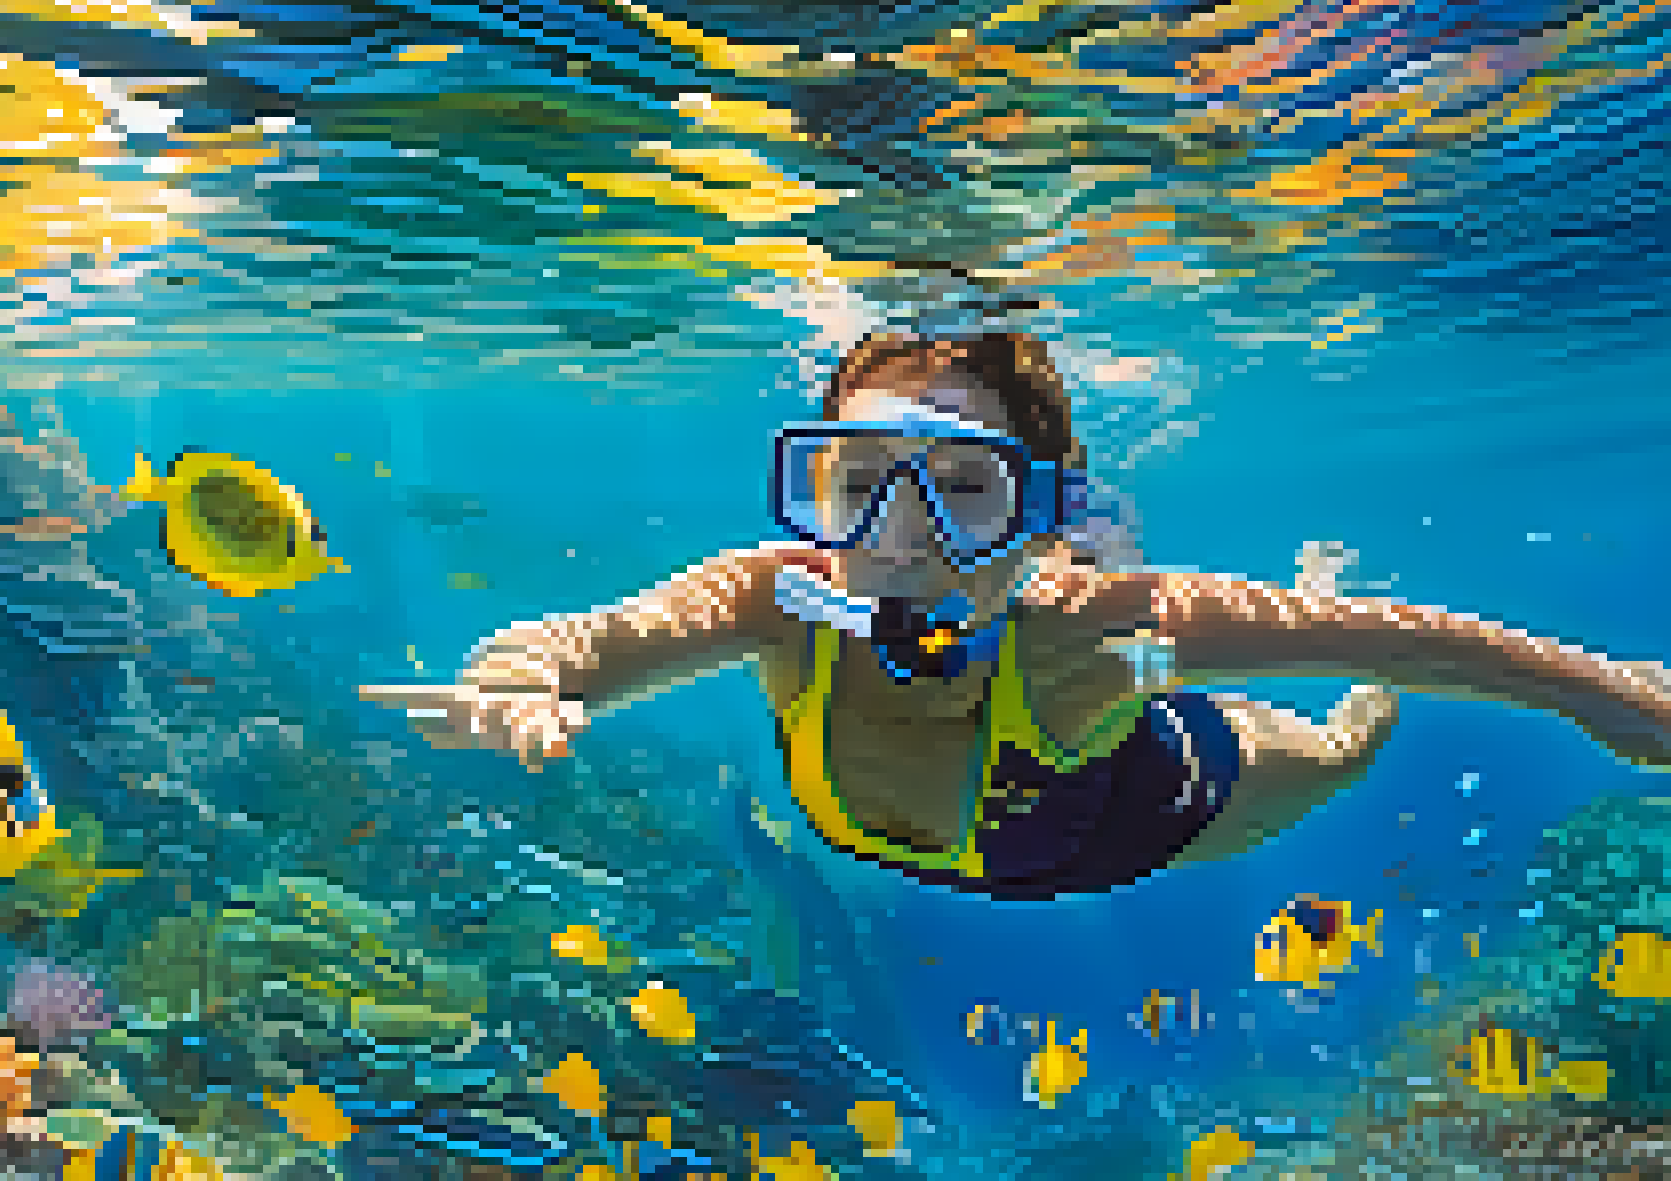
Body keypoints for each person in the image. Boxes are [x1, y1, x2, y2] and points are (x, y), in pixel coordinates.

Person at [360, 332, 1671, 900]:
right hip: (1012, 823)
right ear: (812, 488)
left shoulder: (1079, 621)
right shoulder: (774, 599)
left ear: (1038, 517)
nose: (901, 535)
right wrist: (524, 672)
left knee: (1332, 744)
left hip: (1149, 817)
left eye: (964, 491)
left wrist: (1598, 686)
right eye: (861, 484)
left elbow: (1391, 637)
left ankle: (1321, 679)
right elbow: (598, 641)